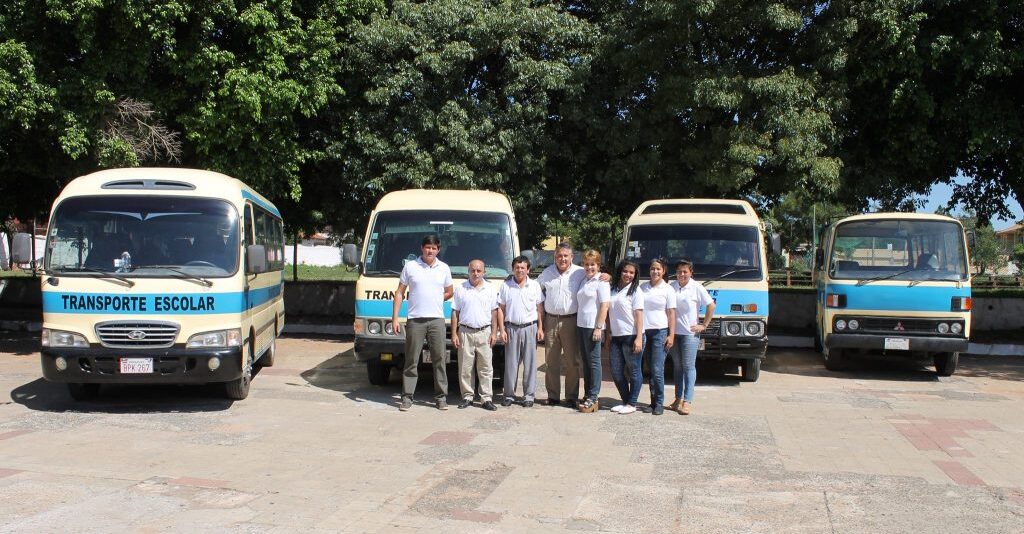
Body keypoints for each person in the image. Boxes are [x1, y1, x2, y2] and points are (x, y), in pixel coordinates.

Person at [392, 234, 454, 411]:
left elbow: (450, 291)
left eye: (434, 248)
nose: (430, 251)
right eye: (428, 247)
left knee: (439, 359)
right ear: (422, 248)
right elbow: (399, 293)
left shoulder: (444, 268)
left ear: (438, 250)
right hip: (415, 320)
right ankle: (407, 397)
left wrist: (436, 298)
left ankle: (441, 397)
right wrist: (395, 318)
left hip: (436, 320)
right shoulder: (410, 267)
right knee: (411, 360)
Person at [537, 243, 586, 407]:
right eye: (559, 255)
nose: (562, 259)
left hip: (571, 320)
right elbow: (535, 290)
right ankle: (553, 396)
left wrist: (606, 276)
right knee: (551, 360)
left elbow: (595, 278)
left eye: (566, 255)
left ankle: (571, 396)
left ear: (572, 257)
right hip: (551, 320)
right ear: (555, 257)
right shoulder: (547, 272)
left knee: (572, 361)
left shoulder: (580, 272)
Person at [451, 259, 499, 411]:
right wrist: (454, 333)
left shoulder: (490, 289)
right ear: (468, 271)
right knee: (465, 368)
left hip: (484, 332)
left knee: (485, 367)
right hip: (465, 332)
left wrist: (494, 332)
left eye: (479, 271)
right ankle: (467, 397)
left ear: (484, 272)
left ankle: (486, 398)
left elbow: (494, 312)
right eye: (473, 270)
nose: (476, 273)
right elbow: (455, 312)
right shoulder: (461, 289)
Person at [498, 255, 545, 407]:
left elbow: (539, 308)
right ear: (513, 269)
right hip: (511, 328)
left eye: (523, 268)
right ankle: (509, 395)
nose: (520, 270)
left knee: (530, 364)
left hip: (530, 328)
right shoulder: (506, 286)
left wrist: (540, 327)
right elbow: (501, 309)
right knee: (511, 364)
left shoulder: (535, 286)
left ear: (528, 270)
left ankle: (529, 396)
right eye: (517, 268)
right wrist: (501, 329)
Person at [670, 260, 716, 415]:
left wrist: (704, 325)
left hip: (690, 334)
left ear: (691, 273)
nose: (682, 275)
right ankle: (678, 398)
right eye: (679, 272)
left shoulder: (696, 287)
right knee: (677, 366)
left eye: (685, 272)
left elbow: (711, 305)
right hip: (674, 334)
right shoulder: (672, 287)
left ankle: (687, 401)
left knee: (688, 366)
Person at [605, 260, 644, 415]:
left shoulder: (636, 291)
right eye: (625, 271)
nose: (628, 275)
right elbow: (609, 313)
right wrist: (608, 333)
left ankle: (632, 403)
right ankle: (625, 400)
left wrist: (639, 338)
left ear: (635, 276)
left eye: (631, 273)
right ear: (620, 271)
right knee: (616, 371)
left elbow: (639, 315)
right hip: (616, 336)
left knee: (634, 371)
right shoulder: (613, 289)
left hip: (632, 335)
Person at [575, 249, 610, 413]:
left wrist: (598, 327)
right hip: (581, 325)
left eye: (593, 264)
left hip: (593, 327)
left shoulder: (601, 282)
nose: (589, 267)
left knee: (594, 362)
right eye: (587, 264)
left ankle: (594, 396)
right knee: (586, 362)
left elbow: (605, 305)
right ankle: (588, 392)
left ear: (598, 265)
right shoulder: (584, 280)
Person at [641, 258, 676, 415]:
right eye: (652, 268)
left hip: (660, 332)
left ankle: (660, 402)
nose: (655, 271)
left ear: (664, 271)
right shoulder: (643, 287)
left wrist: (671, 335)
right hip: (644, 332)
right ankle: (653, 401)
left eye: (658, 269)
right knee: (650, 368)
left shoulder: (668, 289)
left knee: (657, 369)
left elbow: (671, 313)